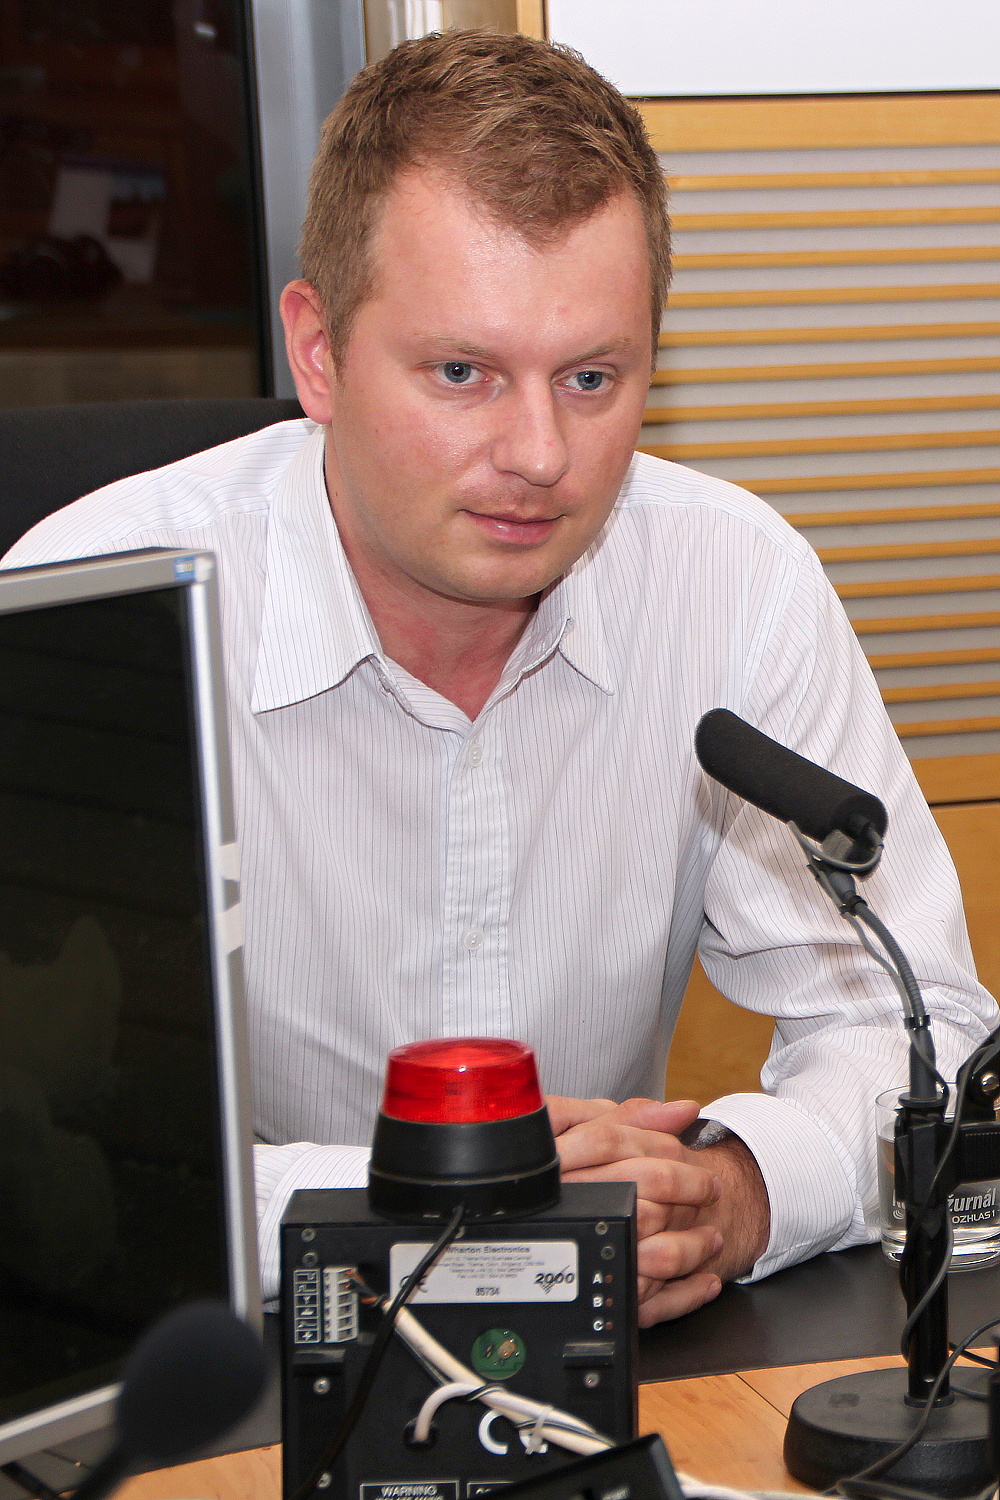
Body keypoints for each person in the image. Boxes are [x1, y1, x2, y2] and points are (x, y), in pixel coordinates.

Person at [4, 30, 995, 1323]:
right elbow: (33, 1137)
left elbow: (924, 1031)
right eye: (463, 373)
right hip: (220, 1353)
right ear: (318, 352)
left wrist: (740, 1189)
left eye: (591, 378)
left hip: (612, 1337)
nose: (539, 454)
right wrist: (437, 1214)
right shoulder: (100, 604)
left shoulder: (734, 583)